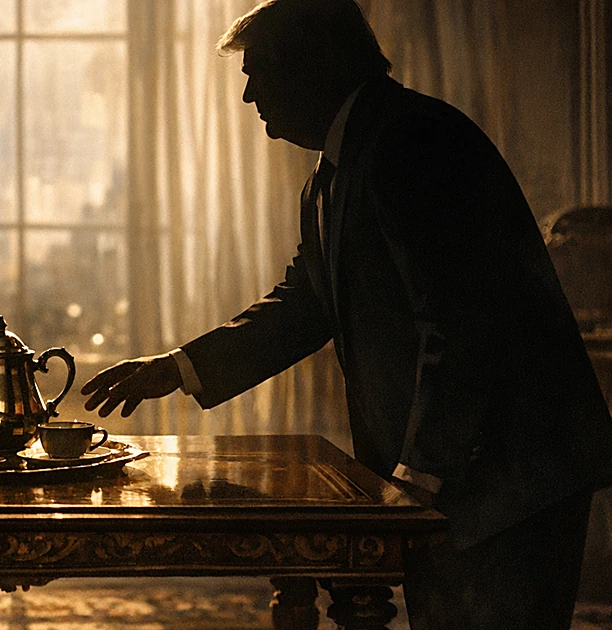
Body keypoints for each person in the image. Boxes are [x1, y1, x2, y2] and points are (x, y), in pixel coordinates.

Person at [80, 0, 612, 627]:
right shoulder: (339, 168)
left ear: (311, 66)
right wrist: (178, 367)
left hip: (503, 472)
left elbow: (461, 326)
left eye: (258, 73)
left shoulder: (412, 141)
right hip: (468, 473)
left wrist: (419, 476)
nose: (249, 96)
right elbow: (308, 304)